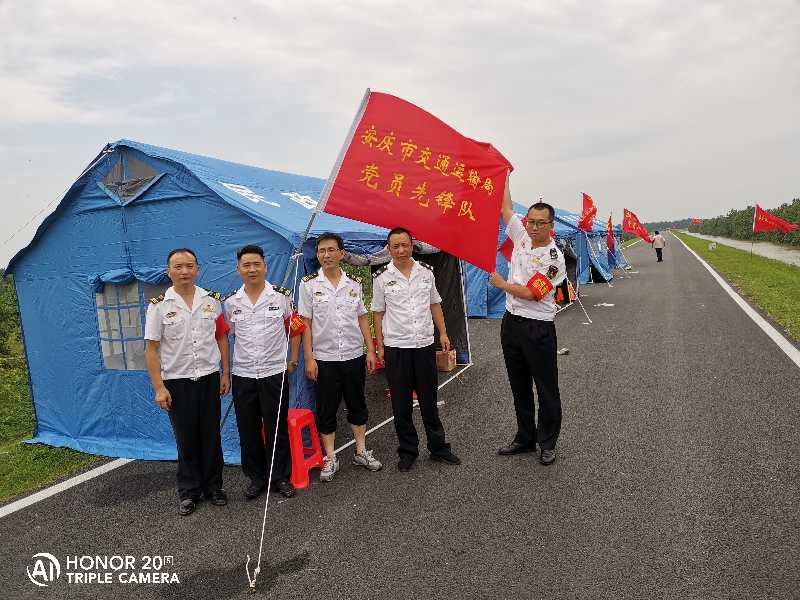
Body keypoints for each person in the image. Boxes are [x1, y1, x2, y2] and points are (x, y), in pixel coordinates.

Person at [144, 248, 231, 516]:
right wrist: (159, 387)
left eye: (189, 266)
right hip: (177, 382)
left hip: (208, 378)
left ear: (197, 269)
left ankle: (214, 487)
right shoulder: (159, 306)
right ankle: (189, 491)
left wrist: (225, 373)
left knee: (211, 436)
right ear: (169, 271)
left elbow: (221, 338)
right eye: (178, 267)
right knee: (186, 439)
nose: (184, 271)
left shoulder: (211, 301)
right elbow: (151, 350)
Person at [489, 180, 566, 465]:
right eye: (531, 221)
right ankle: (525, 437)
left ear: (550, 225)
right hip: (511, 322)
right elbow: (505, 208)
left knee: (546, 388)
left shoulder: (554, 260)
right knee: (518, 384)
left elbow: (533, 293)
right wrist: (504, 176)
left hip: (538, 327)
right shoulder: (521, 237)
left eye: (540, 223)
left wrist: (501, 284)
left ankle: (547, 442)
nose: (533, 227)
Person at [372, 227, 460, 472]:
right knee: (401, 404)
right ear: (389, 249)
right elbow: (378, 313)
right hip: (397, 348)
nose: (401, 250)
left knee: (429, 400)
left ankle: (438, 447)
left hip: (423, 345)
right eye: (395, 246)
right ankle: (408, 451)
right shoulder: (381, 277)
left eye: (405, 245)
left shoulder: (426, 272)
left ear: (412, 246)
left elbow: (435, 305)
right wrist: (379, 345)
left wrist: (443, 333)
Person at [298, 233, 382, 482]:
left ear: (342, 253)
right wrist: (309, 357)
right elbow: (305, 323)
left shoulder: (353, 283)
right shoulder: (309, 285)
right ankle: (331, 457)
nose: (326, 255)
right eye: (322, 251)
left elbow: (362, 317)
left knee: (357, 403)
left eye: (331, 250)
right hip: (324, 359)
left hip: (354, 355)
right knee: (326, 408)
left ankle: (361, 451)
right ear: (317, 254)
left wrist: (370, 349)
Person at [224, 245, 303, 500]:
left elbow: (295, 328)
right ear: (238, 269)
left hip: (274, 372)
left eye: (256, 264)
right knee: (248, 429)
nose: (252, 269)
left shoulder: (280, 297)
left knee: (276, 427)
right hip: (244, 373)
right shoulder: (231, 302)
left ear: (265, 267)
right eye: (246, 265)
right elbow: (229, 334)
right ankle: (256, 478)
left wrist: (293, 359)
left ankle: (280, 477)